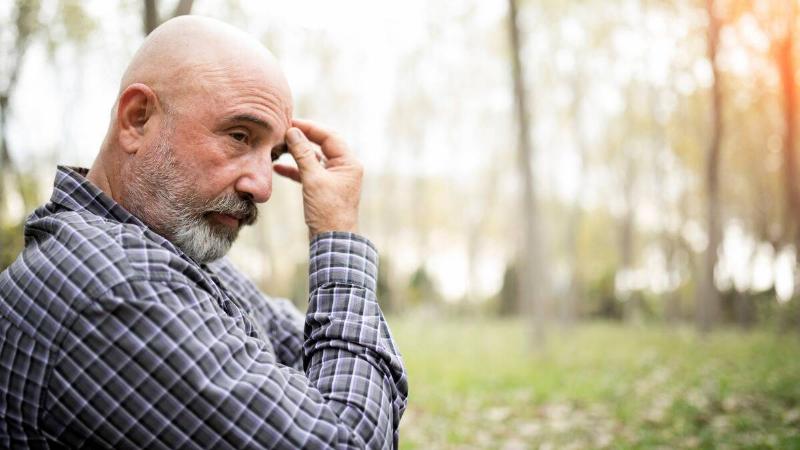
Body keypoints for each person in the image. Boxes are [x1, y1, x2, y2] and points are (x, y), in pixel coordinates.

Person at [0, 15, 407, 449]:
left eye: (273, 153)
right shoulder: (112, 285)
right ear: (137, 119)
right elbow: (352, 436)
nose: (264, 186)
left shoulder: (169, 250)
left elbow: (339, 372)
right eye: (238, 136)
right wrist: (338, 234)